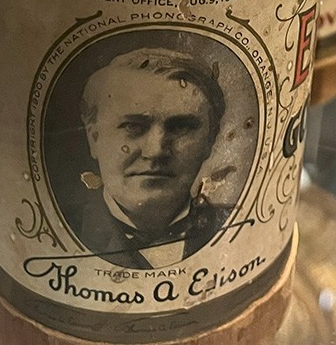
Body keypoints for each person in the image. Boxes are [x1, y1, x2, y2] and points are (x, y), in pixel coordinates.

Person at [76, 46, 231, 269]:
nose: (155, 151)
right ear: (94, 139)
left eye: (180, 128)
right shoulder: (68, 227)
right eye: (133, 126)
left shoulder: (237, 224)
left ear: (210, 141)